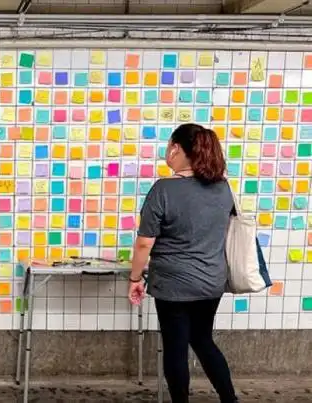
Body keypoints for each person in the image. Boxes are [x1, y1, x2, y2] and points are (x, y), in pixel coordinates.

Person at [127, 124, 238, 403]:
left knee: (176, 347)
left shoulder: (164, 189)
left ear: (176, 148)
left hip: (173, 284)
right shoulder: (223, 189)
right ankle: (230, 399)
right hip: (211, 281)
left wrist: (135, 278)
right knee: (203, 340)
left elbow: (144, 243)